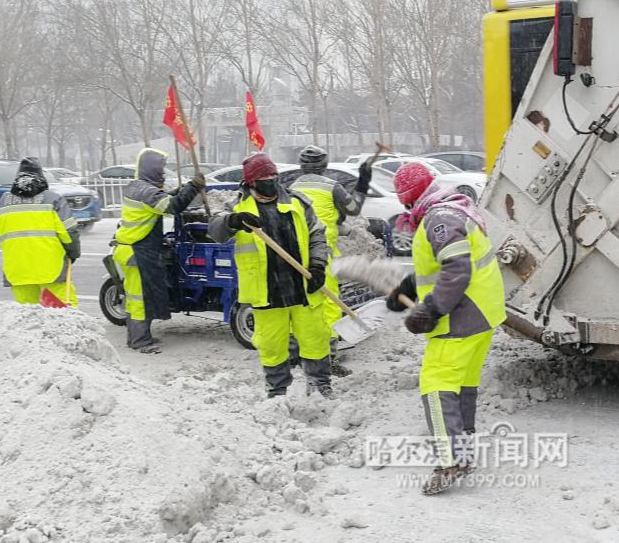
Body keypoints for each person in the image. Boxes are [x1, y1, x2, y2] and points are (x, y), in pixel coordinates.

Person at [386, 162, 506, 495]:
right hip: (483, 312)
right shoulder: (452, 209)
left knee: (437, 385)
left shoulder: (437, 219)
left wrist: (431, 308)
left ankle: (451, 460)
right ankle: (464, 454)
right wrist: (410, 288)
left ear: (409, 200)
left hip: (462, 316)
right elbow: (443, 265)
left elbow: (457, 269)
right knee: (462, 386)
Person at [208, 153, 332, 397]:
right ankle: (277, 391)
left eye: (274, 175)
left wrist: (318, 265)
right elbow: (215, 230)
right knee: (272, 345)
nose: (271, 180)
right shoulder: (238, 207)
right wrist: (233, 221)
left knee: (316, 339)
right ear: (252, 182)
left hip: (302, 286)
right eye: (264, 177)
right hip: (266, 292)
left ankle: (320, 386)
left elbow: (318, 234)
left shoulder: (298, 202)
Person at [289, 145, 372, 374]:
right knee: (330, 305)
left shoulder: (293, 188)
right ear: (325, 166)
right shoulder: (331, 186)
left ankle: (297, 353)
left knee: (303, 304)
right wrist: (363, 183)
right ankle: (329, 358)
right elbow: (353, 208)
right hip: (323, 253)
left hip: (297, 254)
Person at [112, 148, 204, 352]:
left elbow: (159, 202)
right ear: (151, 169)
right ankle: (139, 341)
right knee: (139, 300)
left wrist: (179, 190)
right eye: (160, 169)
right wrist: (193, 187)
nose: (163, 174)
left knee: (140, 297)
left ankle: (137, 337)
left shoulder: (137, 187)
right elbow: (172, 207)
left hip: (132, 249)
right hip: (136, 251)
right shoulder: (146, 192)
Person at [0, 157, 80, 306]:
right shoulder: (53, 199)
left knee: (28, 319)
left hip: (17, 269)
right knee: (64, 314)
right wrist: (73, 252)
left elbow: (0, 230)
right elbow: (69, 232)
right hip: (50, 268)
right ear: (41, 177)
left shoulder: (3, 202)